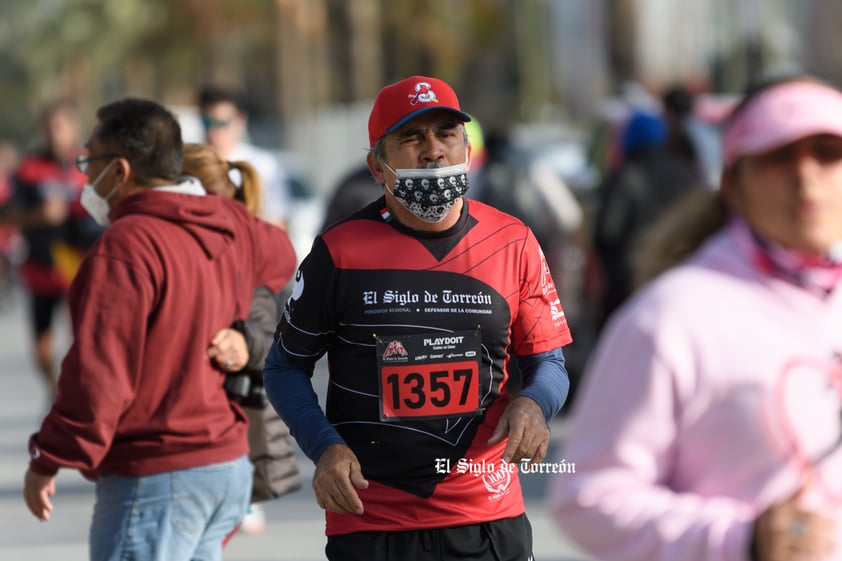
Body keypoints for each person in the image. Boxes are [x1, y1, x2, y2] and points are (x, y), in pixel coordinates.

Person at [264, 75, 573, 561]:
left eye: (446, 134)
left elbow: (549, 362)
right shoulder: (338, 253)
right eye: (411, 137)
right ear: (377, 167)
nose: (433, 151)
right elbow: (283, 366)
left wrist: (534, 404)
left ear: (467, 149)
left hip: (488, 520)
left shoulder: (514, 242)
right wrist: (324, 447)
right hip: (372, 523)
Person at [550, 74, 842, 561]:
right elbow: (586, 497)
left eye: (828, 152)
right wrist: (739, 540)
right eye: (777, 157)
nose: (805, 176)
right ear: (732, 182)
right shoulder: (668, 318)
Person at [22, 98, 297, 561]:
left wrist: (46, 458)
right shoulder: (224, 221)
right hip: (225, 470)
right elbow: (281, 255)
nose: (84, 178)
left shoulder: (124, 247)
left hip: (156, 478)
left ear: (121, 170)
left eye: (89, 161)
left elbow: (98, 378)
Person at [182, 142, 301, 537]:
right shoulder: (235, 235)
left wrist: (243, 342)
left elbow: (284, 335)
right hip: (221, 426)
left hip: (228, 422)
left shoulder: (241, 241)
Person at [4, 100, 102, 401]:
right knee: (42, 347)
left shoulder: (91, 164)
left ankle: (80, 398)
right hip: (41, 268)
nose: (54, 132)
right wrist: (39, 217)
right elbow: (7, 215)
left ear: (74, 128)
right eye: (49, 126)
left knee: (85, 341)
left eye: (61, 125)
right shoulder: (29, 168)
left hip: (80, 268)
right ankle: (55, 392)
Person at [592, 108, 705, 329]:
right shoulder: (686, 173)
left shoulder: (623, 175)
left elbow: (606, 233)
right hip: (678, 278)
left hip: (630, 285)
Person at [198, 85, 293, 229]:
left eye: (221, 123)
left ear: (240, 121)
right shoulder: (192, 165)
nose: (213, 131)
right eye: (207, 122)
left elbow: (280, 222)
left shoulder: (264, 165)